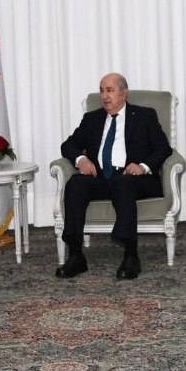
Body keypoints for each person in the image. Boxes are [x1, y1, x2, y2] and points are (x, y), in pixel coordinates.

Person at [56, 73, 173, 280]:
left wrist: (143, 166)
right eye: (102, 91)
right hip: (101, 177)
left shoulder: (145, 116)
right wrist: (80, 160)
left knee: (122, 183)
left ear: (124, 93)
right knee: (76, 184)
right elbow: (69, 145)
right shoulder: (92, 119)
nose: (104, 96)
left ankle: (131, 255)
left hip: (133, 178)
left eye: (110, 90)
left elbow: (163, 148)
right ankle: (76, 255)